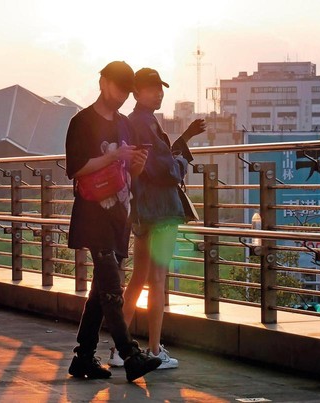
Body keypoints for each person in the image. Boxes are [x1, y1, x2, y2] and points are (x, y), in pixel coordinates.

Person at [65, 61, 162, 382]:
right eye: (118, 88)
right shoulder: (81, 121)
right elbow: (76, 168)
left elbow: (128, 173)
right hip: (93, 213)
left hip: (121, 212)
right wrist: (113, 156)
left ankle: (83, 357)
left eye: (126, 90)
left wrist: (136, 163)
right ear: (104, 83)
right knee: (110, 288)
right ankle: (129, 353)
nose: (121, 95)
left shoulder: (124, 125)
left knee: (102, 288)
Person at [107, 67, 206, 369]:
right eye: (151, 88)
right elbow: (164, 168)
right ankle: (153, 349)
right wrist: (179, 162)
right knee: (158, 280)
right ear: (136, 93)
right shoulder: (143, 123)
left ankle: (120, 350)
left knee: (138, 279)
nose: (158, 93)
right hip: (161, 209)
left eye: (160, 88)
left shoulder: (136, 122)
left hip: (143, 209)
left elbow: (157, 161)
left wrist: (185, 137)